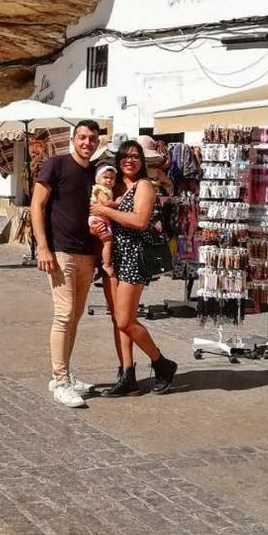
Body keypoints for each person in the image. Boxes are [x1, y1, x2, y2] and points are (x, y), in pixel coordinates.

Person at [90, 139, 177, 396]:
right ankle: (127, 374)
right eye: (125, 156)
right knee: (117, 322)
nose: (130, 160)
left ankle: (162, 363)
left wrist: (105, 209)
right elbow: (100, 213)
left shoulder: (144, 186)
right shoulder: (112, 185)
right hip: (112, 257)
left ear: (142, 161)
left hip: (133, 258)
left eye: (135, 156)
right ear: (118, 160)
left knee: (126, 320)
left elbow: (139, 221)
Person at [31, 120, 101, 408]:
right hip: (61, 252)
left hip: (87, 253)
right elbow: (37, 205)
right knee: (64, 314)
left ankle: (65, 375)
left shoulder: (95, 173)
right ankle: (60, 382)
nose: (87, 143)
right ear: (73, 139)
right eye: (82, 137)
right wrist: (43, 248)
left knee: (74, 317)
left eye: (92, 139)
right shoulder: (56, 165)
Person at [88, 163, 116, 279]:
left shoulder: (107, 190)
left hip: (101, 218)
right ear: (98, 179)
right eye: (106, 177)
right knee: (107, 242)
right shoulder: (100, 190)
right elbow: (106, 204)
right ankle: (106, 264)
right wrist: (118, 202)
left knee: (102, 243)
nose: (109, 180)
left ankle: (99, 267)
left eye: (112, 178)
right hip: (98, 219)